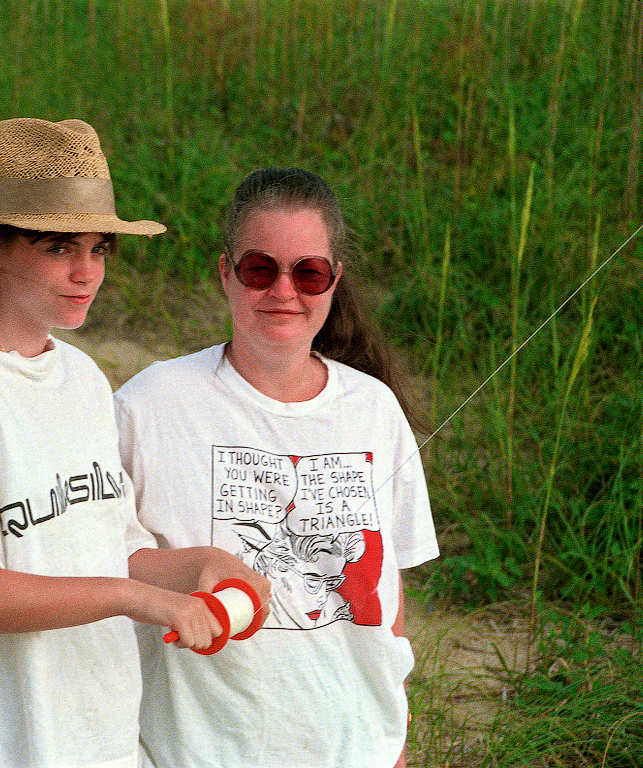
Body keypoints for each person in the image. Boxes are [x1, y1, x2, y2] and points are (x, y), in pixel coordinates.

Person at [0, 118, 269, 768]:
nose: (86, 272)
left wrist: (192, 566)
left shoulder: (81, 376)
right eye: (58, 247)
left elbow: (108, 545)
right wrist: (134, 598)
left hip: (89, 734)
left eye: (99, 248)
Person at [115, 167, 439, 768]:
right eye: (260, 269)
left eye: (308, 272)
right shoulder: (148, 403)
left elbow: (389, 594)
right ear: (225, 274)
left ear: (334, 280)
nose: (284, 291)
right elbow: (103, 561)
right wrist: (194, 568)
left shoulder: (374, 408)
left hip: (355, 748)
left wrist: (391, 734)